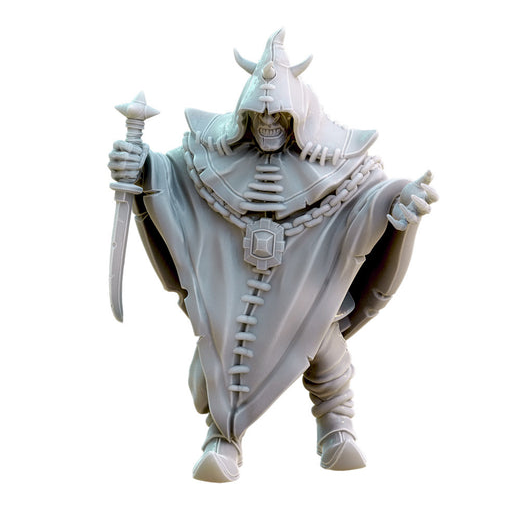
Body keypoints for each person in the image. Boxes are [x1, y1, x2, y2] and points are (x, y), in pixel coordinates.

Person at [108, 29, 437, 482]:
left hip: (306, 276)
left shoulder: (336, 161)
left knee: (320, 333)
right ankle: (222, 437)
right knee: (223, 342)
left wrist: (401, 200)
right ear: (243, 116)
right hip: (232, 280)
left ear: (298, 118)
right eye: (259, 114)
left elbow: (369, 194)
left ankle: (336, 425)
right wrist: (142, 165)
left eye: (279, 115)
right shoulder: (211, 156)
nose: (268, 123)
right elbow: (174, 175)